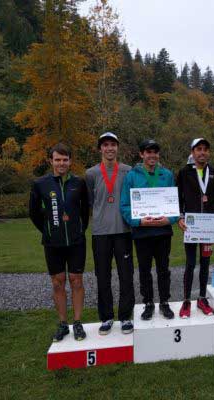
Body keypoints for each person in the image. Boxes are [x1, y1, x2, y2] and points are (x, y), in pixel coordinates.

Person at [29, 143, 89, 342]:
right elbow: (34, 213)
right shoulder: (40, 184)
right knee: (57, 283)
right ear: (51, 161)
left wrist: (79, 229)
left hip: (76, 241)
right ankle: (63, 324)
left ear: (70, 161)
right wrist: (48, 229)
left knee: (76, 280)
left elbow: (85, 211)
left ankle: (78, 323)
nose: (62, 163)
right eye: (58, 160)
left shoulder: (79, 183)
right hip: (52, 243)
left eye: (65, 160)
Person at [120, 139, 178, 320]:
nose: (152, 155)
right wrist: (138, 222)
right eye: (148, 151)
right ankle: (148, 303)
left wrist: (169, 219)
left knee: (163, 269)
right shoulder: (131, 176)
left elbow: (175, 204)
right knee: (144, 270)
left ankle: (164, 302)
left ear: (158, 154)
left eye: (155, 151)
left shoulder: (167, 175)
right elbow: (124, 205)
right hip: (142, 232)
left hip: (162, 232)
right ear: (141, 154)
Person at [177, 138, 214, 318]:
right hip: (192, 227)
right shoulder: (184, 173)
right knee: (191, 263)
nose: (202, 152)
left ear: (209, 152)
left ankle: (201, 298)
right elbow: (178, 199)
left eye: (205, 149)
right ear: (192, 152)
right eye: (198, 149)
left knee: (205, 263)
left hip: (209, 228)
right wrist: (180, 217)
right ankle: (186, 301)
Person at [86, 132, 134, 335]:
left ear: (117, 148)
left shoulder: (128, 171)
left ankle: (125, 317)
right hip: (100, 233)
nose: (109, 148)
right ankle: (106, 317)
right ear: (100, 149)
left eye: (113, 144)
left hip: (123, 231)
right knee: (102, 276)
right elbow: (90, 201)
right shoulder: (90, 174)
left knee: (126, 275)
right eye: (105, 145)